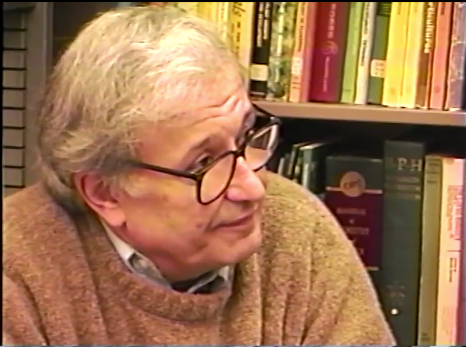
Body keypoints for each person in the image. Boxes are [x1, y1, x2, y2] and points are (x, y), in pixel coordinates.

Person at [2, 5, 395, 346]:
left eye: (245, 136)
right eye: (202, 164)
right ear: (105, 193)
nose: (252, 188)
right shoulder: (17, 268)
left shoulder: (298, 230)